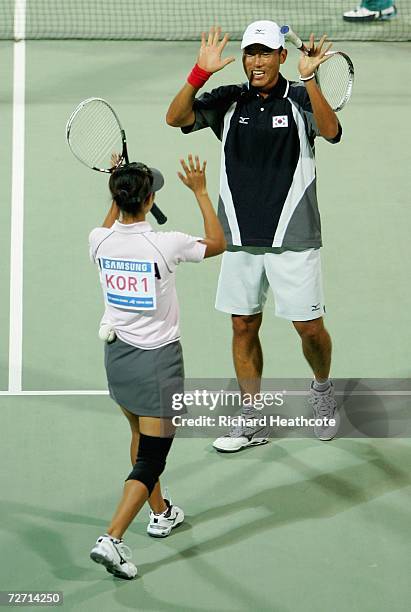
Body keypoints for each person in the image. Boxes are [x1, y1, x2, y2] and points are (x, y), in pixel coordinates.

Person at [166, 21, 342, 452]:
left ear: (282, 56)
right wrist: (199, 73)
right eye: (250, 53)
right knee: (243, 325)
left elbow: (332, 131)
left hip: (293, 234)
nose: (256, 62)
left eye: (265, 53)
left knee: (309, 328)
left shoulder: (300, 97)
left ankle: (322, 391)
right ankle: (252, 416)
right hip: (240, 237)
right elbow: (176, 118)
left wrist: (310, 79)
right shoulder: (230, 99)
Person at [88, 155, 225, 579]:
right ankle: (112, 538)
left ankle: (161, 511)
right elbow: (217, 242)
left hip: (118, 358)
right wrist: (201, 193)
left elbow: (111, 222)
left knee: (137, 434)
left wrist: (116, 183)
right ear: (149, 200)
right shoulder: (167, 244)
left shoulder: (98, 240)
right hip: (158, 363)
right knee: (153, 457)